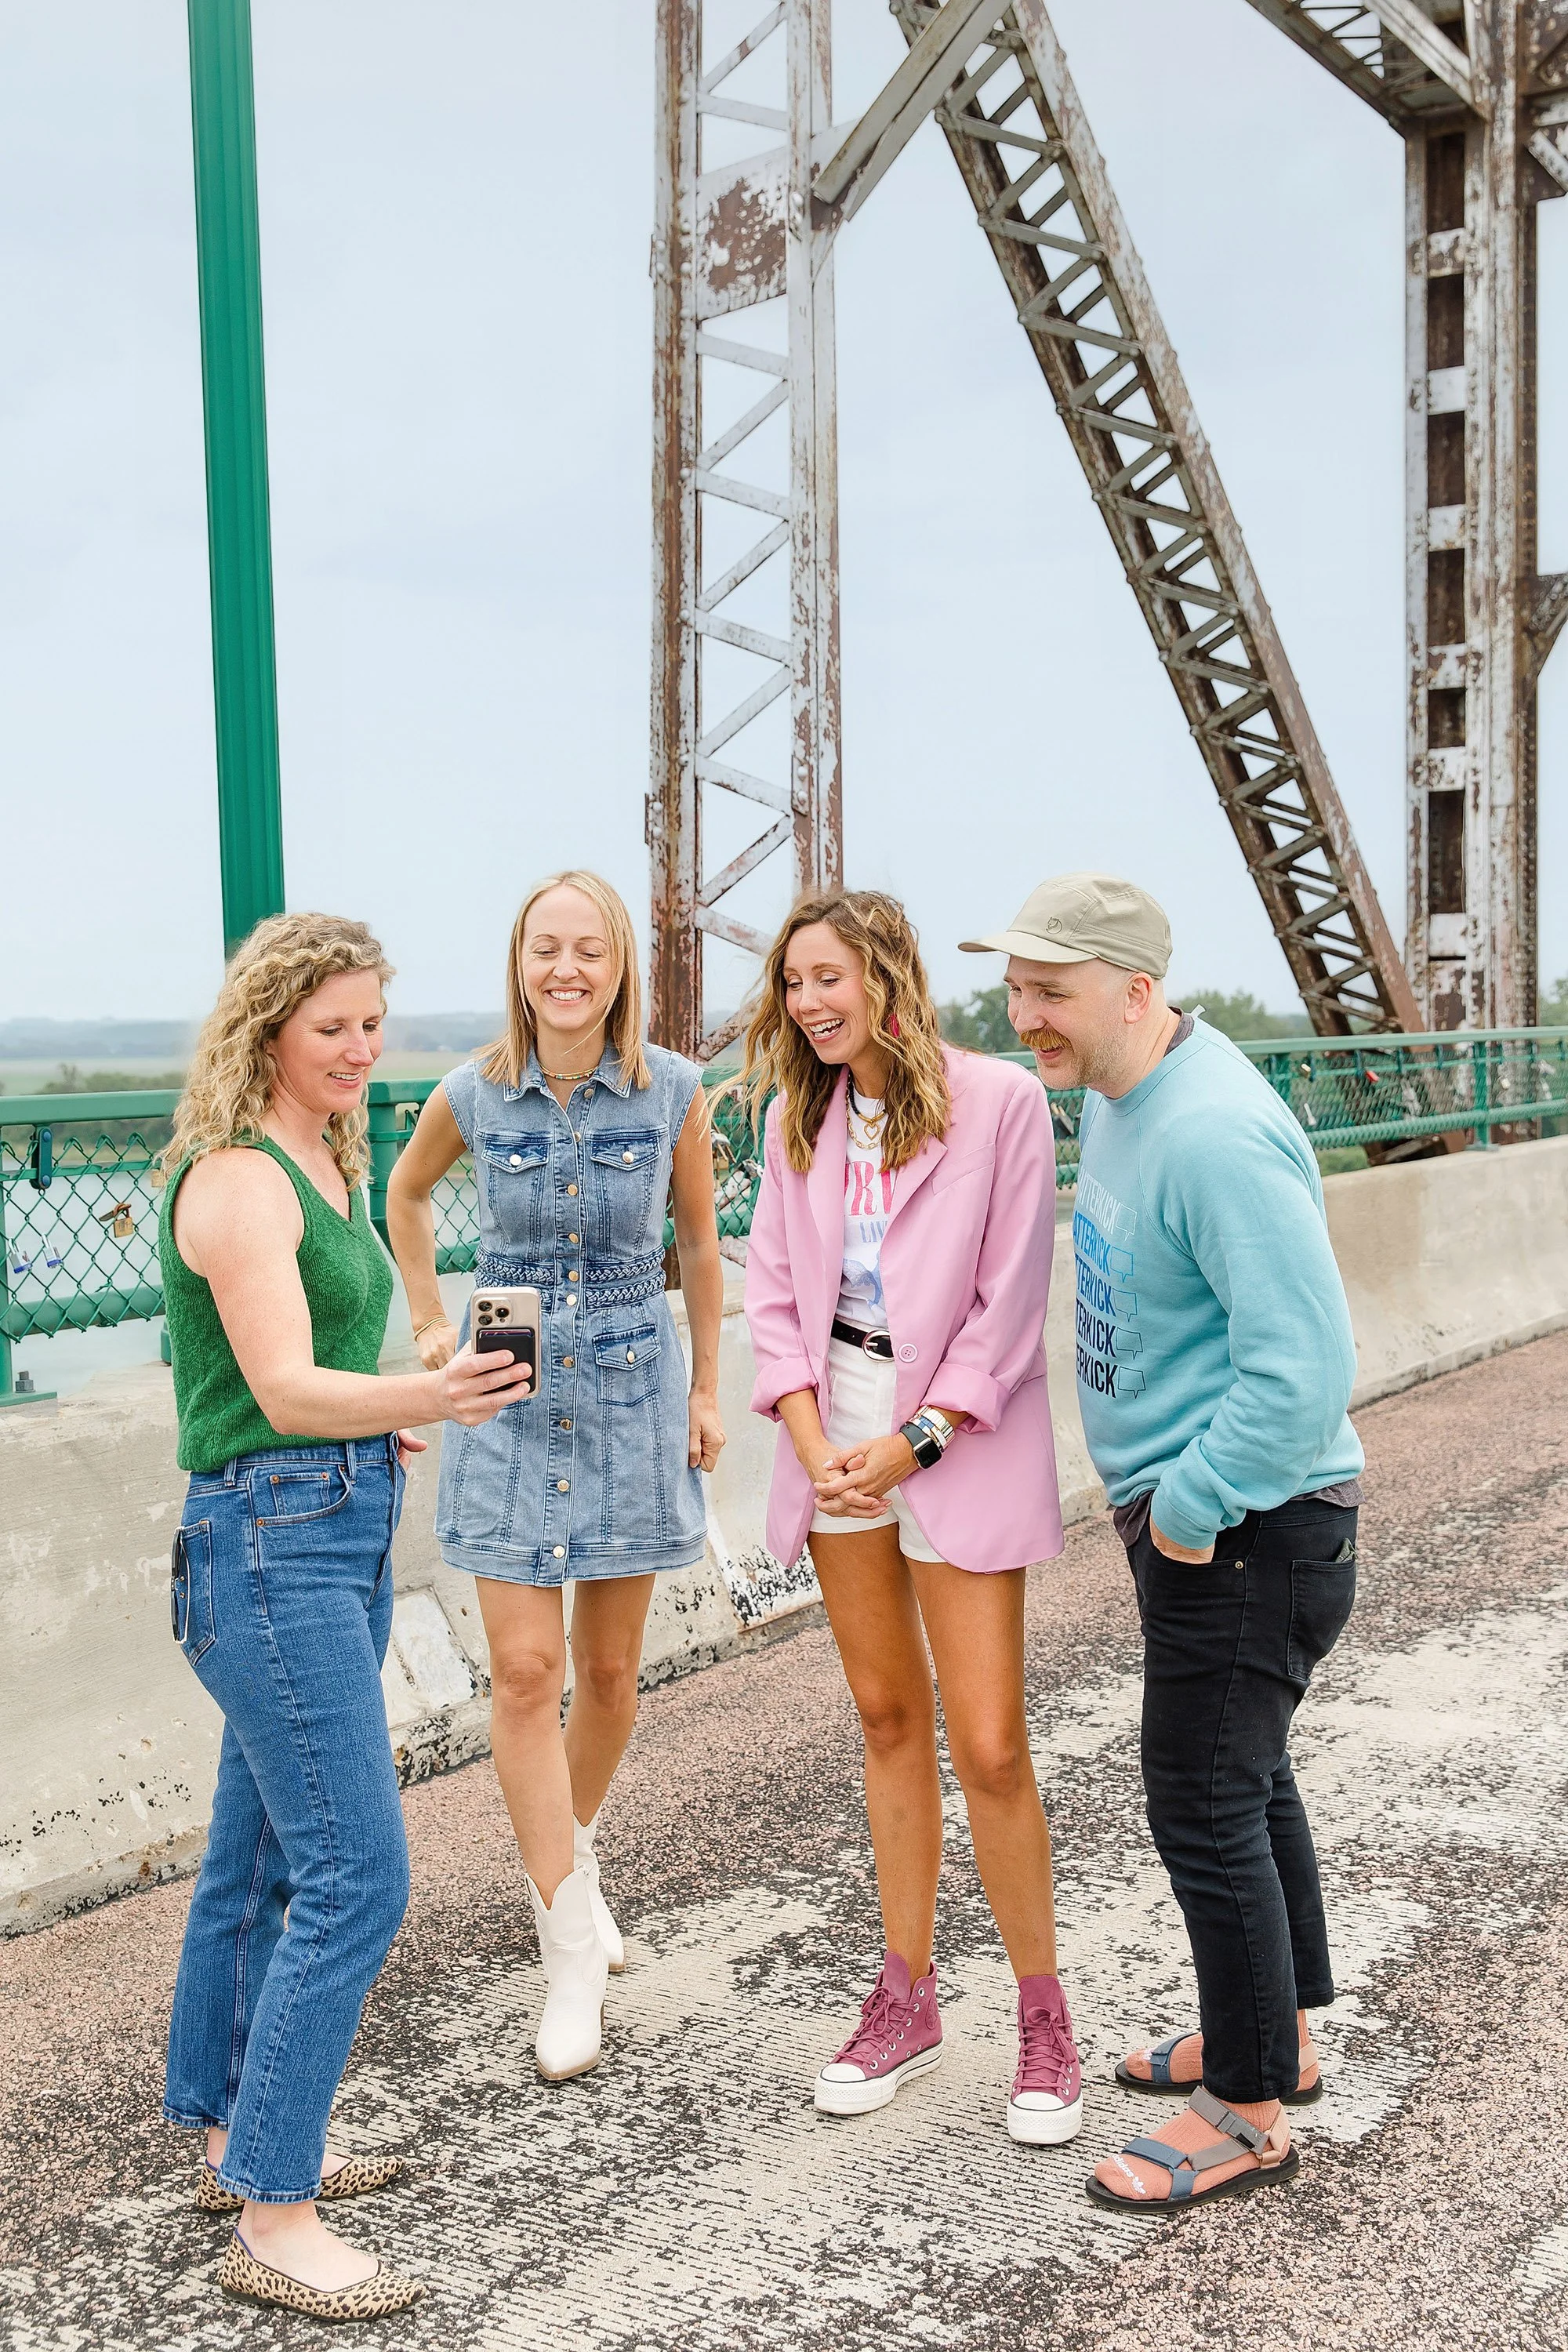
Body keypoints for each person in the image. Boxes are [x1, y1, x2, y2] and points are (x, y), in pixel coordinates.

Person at [960, 872, 1363, 2213]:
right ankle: (1279, 2035)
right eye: (1016, 990)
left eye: (1050, 993)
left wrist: (1183, 1511)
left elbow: (1301, 1374)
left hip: (1246, 1528)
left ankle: (1244, 2106)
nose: (1025, 1019)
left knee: (1201, 1802)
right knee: (1249, 1782)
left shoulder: (1213, 1135)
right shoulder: (1126, 1081)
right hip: (1213, 1523)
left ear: (1137, 991)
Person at [159, 913, 532, 2322]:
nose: (362, 1052)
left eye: (374, 1025)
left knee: (253, 1861)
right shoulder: (239, 1181)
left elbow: (333, 1382)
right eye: (334, 1030)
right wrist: (422, 1400)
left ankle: (226, 2132)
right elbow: (282, 1390)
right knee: (358, 1876)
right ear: (267, 1028)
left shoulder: (326, 1152)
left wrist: (399, 1418)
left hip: (327, 1520)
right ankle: (275, 2208)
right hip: (267, 1545)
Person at [742, 887, 1083, 2144]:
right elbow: (774, 1298)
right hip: (836, 1432)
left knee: (990, 1744)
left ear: (886, 977)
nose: (808, 1004)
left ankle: (1044, 2017)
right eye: (792, 983)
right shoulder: (798, 1117)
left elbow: (1008, 1310)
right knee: (890, 1720)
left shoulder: (1000, 1102)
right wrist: (818, 1438)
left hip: (953, 1436)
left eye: (827, 977)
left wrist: (912, 1442)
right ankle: (908, 1997)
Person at [386, 869, 724, 2084]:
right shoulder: (471, 1092)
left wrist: (704, 1390)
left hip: (635, 1386)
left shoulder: (674, 1089)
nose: (566, 970)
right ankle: (567, 1944)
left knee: (611, 1675)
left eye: (589, 949)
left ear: (619, 963)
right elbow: (407, 1194)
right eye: (546, 950)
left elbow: (697, 1240)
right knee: (526, 1675)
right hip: (508, 1388)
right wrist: (430, 1324)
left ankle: (570, 1852)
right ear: (519, 963)